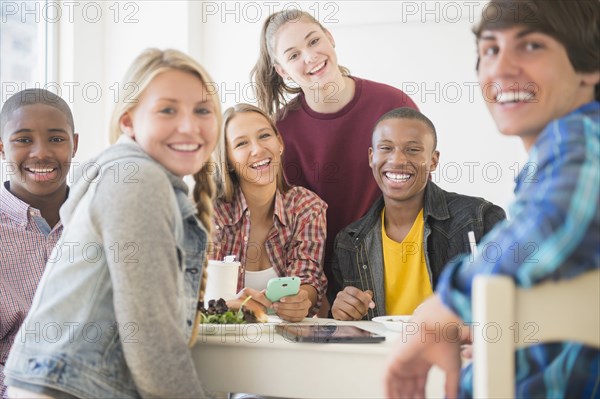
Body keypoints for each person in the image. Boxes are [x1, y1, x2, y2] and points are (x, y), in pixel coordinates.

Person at [385, 1, 600, 398]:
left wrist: (442, 307)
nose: (501, 68)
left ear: (589, 65)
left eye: (531, 45)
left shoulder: (583, 137)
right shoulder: (551, 162)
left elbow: (553, 222)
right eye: (490, 50)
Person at [3, 48, 221, 398]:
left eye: (202, 110)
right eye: (168, 110)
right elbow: (152, 340)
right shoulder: (138, 179)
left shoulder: (131, 174)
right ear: (129, 121)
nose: (189, 126)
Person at [251, 10, 419, 309]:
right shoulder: (281, 131)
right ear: (282, 71)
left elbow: (420, 196)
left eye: (314, 41)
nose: (310, 56)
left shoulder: (394, 105)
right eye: (293, 55)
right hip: (325, 290)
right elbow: (292, 223)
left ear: (329, 37)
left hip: (398, 273)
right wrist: (315, 295)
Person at [329, 108, 506, 321]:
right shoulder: (349, 243)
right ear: (371, 157)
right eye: (386, 148)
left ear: (433, 160)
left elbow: (508, 306)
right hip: (384, 355)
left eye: (412, 150)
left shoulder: (479, 219)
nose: (397, 160)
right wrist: (341, 311)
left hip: (455, 352)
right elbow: (349, 330)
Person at [212, 103, 327, 322]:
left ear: (280, 143)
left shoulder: (307, 207)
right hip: (219, 343)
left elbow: (309, 280)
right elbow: (191, 294)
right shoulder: (211, 214)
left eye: (264, 136)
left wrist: (302, 300)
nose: (257, 149)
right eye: (241, 143)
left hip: (283, 344)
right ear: (227, 159)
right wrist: (230, 306)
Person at [0, 89, 79, 398]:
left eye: (57, 139)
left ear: (75, 145)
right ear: (2, 148)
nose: (41, 153)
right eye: (23, 140)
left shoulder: (104, 223)